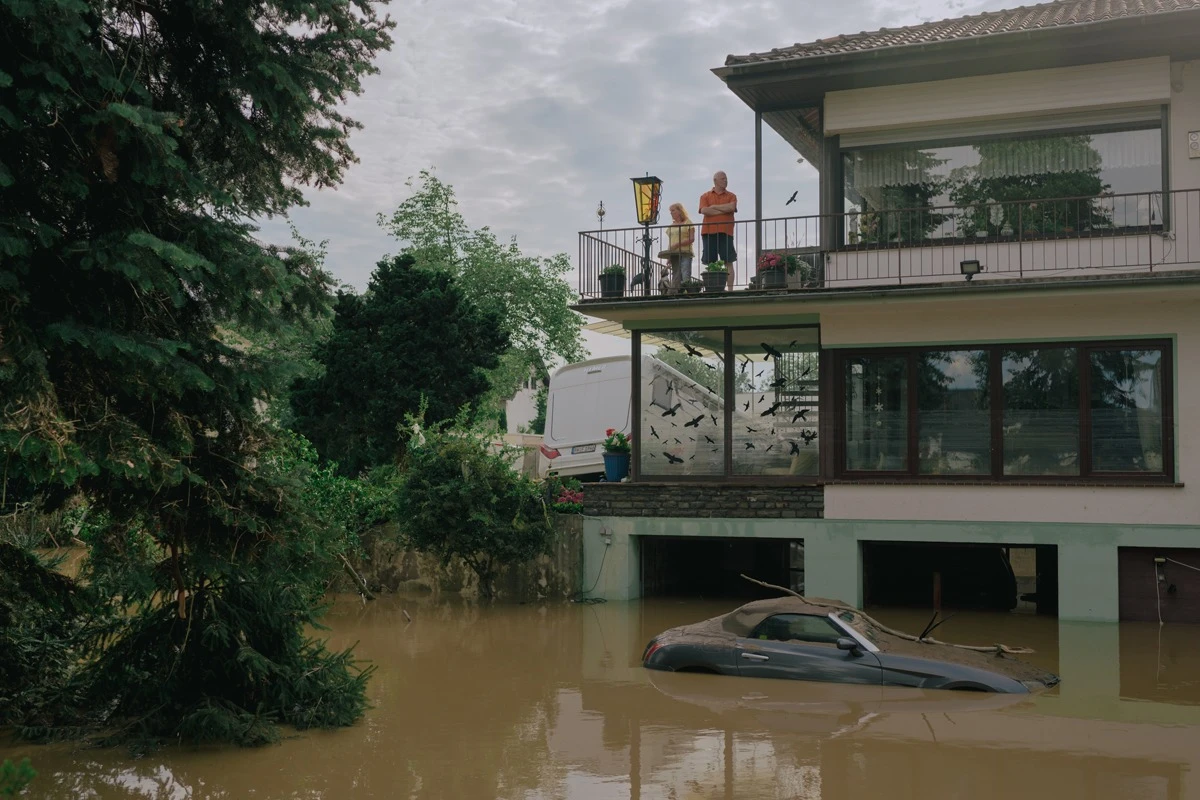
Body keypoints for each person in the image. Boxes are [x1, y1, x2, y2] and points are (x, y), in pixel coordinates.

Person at [699, 171, 738, 289]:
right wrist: (723, 210)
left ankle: (730, 290)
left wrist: (714, 207)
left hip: (726, 232)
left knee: (728, 261)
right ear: (715, 181)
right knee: (711, 262)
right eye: (722, 179)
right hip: (708, 232)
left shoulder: (731, 196)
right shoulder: (705, 196)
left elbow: (731, 207)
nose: (725, 180)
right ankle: (713, 289)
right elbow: (705, 210)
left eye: (726, 178)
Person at [658, 203, 695, 294]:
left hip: (685, 253)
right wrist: (669, 256)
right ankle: (678, 294)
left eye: (673, 210)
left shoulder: (688, 222)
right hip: (674, 254)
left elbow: (691, 239)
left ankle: (687, 294)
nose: (671, 213)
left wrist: (678, 244)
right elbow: (671, 242)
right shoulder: (671, 226)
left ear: (679, 211)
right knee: (676, 275)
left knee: (685, 274)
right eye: (670, 211)